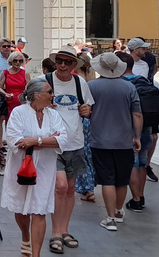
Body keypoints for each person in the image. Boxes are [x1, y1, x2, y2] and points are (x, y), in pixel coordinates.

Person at [1, 78, 67, 257]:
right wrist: (48, 141)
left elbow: (62, 139)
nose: (53, 95)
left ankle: (35, 254)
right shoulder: (18, 112)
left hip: (45, 168)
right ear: (37, 95)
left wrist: (33, 140)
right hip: (21, 166)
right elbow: (15, 141)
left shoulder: (53, 115)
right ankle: (25, 235)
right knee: (22, 208)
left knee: (40, 210)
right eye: (49, 92)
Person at [87, 52, 142, 232]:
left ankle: (109, 218)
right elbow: (137, 114)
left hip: (100, 140)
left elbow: (87, 112)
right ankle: (118, 211)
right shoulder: (129, 87)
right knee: (121, 180)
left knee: (107, 180)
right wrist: (137, 136)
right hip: (124, 140)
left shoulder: (92, 86)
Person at [45, 45, 94, 244]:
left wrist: (86, 111)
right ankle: (55, 232)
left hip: (75, 142)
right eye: (59, 61)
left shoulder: (80, 82)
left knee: (71, 188)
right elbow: (28, 103)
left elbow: (88, 107)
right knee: (60, 186)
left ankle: (65, 230)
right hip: (53, 143)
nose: (62, 65)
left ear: (75, 64)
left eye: (67, 62)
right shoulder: (45, 82)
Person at [120, 54, 159, 212]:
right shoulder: (145, 81)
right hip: (146, 127)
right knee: (142, 163)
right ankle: (141, 196)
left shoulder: (121, 84)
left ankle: (135, 199)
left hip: (129, 128)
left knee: (132, 164)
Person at [74, 54, 97, 204]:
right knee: (88, 154)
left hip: (79, 121)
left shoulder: (77, 81)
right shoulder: (91, 80)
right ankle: (88, 187)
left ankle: (88, 188)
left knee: (81, 156)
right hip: (90, 122)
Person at [0, 51, 30, 115]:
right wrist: (5, 94)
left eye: (20, 61)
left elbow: (29, 88)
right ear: (11, 61)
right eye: (15, 61)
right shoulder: (5, 73)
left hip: (22, 102)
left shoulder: (25, 73)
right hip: (9, 102)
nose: (18, 63)